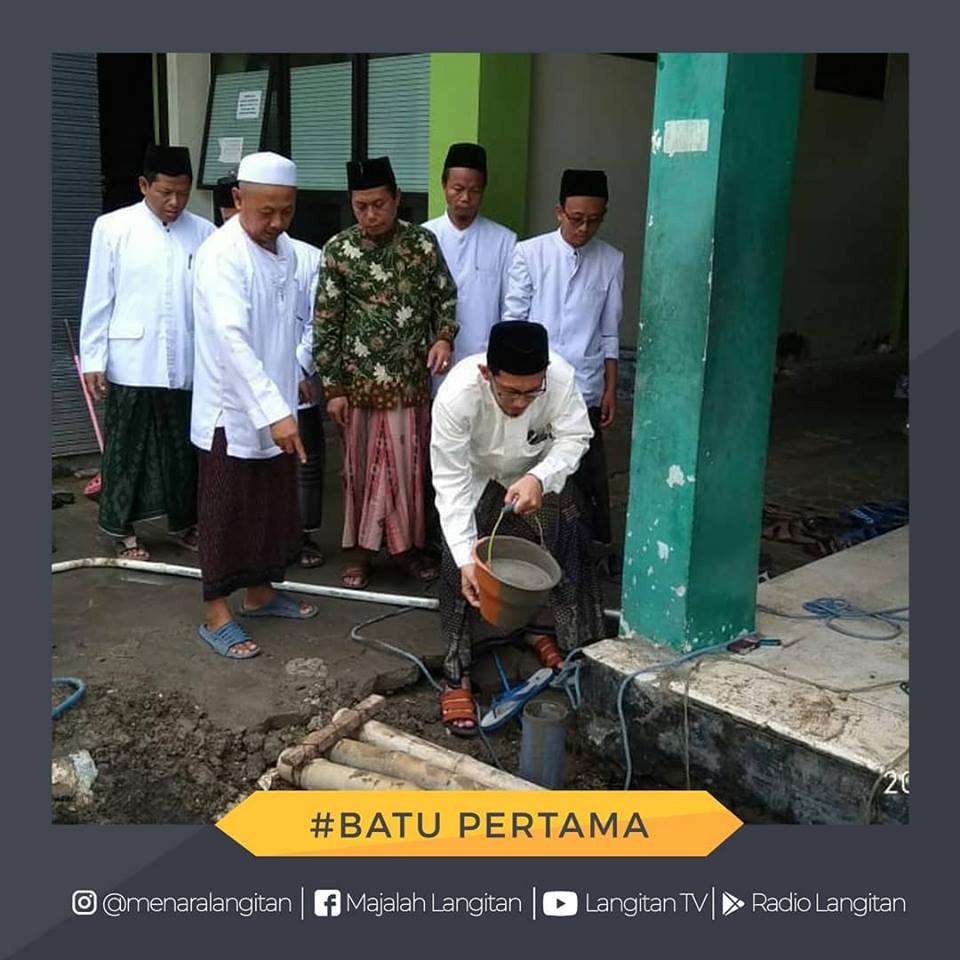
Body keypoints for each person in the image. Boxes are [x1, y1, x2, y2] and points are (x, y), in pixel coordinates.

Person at [430, 321, 606, 733]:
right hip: (476, 476)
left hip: (538, 474)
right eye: (509, 392)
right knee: (460, 560)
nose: (520, 402)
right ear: (486, 374)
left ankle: (556, 638)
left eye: (531, 392)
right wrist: (466, 560)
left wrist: (540, 478)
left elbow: (576, 437)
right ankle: (457, 674)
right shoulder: (456, 396)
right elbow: (450, 482)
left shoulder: (559, 380)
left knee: (567, 531)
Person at [191, 152, 317, 660]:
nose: (277, 222)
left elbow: (290, 326)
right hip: (230, 409)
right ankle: (216, 613)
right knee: (224, 509)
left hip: (276, 401)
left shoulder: (287, 252)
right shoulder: (221, 255)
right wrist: (273, 410)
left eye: (287, 210)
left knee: (270, 503)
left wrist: (293, 386)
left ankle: (260, 593)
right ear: (239, 199)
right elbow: (233, 341)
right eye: (266, 211)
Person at [313, 155, 458, 590]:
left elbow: (445, 298)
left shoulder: (423, 244)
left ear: (397, 199)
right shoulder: (339, 250)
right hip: (358, 388)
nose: (371, 214)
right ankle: (359, 552)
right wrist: (333, 388)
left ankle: (406, 550)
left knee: (409, 472)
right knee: (359, 473)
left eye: (379, 204)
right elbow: (325, 323)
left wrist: (443, 338)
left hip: (410, 384)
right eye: (361, 206)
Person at [79, 144, 214, 560]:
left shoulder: (204, 232)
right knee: (127, 448)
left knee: (183, 449)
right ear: (143, 185)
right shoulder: (113, 227)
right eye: (165, 192)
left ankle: (184, 523)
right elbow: (98, 296)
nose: (175, 202)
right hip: (131, 359)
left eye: (183, 193)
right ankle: (120, 529)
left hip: (186, 359)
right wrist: (93, 358)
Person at [503, 168, 624, 548]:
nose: (584, 228)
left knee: (585, 472)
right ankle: (529, 545)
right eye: (576, 219)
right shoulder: (530, 253)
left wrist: (611, 387)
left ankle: (587, 551)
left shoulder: (611, 260)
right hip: (534, 383)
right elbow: (513, 320)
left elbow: (609, 331)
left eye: (594, 220)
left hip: (585, 384)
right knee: (532, 467)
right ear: (559, 212)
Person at [423, 143, 516, 364]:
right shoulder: (425, 236)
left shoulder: (504, 240)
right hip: (434, 356)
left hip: (483, 356)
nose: (465, 198)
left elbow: (510, 305)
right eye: (458, 189)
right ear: (444, 186)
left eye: (474, 191)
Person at [288, 234, 327, 568]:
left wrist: (299, 366)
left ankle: (302, 536)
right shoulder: (225, 255)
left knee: (305, 460)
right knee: (257, 462)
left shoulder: (310, 257)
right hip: (247, 378)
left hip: (300, 375)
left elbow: (319, 321)